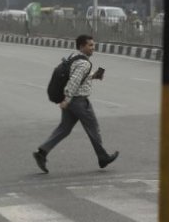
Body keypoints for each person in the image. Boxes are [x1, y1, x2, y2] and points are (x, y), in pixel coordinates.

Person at [33, 34, 119, 173]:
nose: (93, 48)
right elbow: (73, 81)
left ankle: (42, 152)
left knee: (64, 128)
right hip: (78, 101)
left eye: (93, 45)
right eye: (90, 45)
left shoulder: (74, 57)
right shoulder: (84, 63)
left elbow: (77, 77)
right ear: (81, 46)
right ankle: (103, 157)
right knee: (93, 128)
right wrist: (66, 100)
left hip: (71, 100)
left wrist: (93, 76)